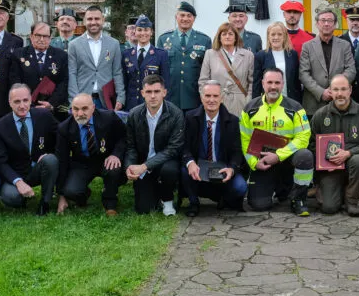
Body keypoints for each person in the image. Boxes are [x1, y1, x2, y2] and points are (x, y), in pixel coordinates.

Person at [240, 68, 313, 216]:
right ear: (263, 83)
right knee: (258, 205)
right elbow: (245, 140)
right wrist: (254, 163)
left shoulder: (295, 108)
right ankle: (279, 190)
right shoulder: (249, 109)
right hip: (263, 163)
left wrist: (279, 156)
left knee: (305, 155)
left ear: (282, 84)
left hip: (288, 161)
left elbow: (303, 137)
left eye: (277, 83)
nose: (273, 86)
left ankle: (298, 199)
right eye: (270, 82)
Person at [309, 74, 359, 217]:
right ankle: (327, 189)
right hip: (330, 168)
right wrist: (325, 161)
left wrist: (348, 153)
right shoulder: (320, 115)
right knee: (329, 208)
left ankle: (352, 202)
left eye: (343, 89)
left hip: (353, 164)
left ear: (350, 90)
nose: (340, 93)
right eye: (336, 89)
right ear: (330, 91)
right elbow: (311, 144)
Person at [181, 81, 248, 216]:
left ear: (221, 98)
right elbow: (184, 146)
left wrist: (231, 169)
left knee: (240, 187)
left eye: (215, 96)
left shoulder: (233, 121)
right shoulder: (190, 118)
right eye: (207, 96)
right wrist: (190, 162)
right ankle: (193, 203)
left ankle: (223, 198)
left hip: (222, 168)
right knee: (184, 169)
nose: (211, 100)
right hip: (199, 168)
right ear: (201, 98)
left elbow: (237, 151)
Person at [0, 84, 60, 215]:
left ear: (30, 100)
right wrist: (18, 182)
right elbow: (0, 161)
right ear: (10, 102)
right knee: (11, 198)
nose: (22, 106)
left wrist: (50, 154)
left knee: (50, 160)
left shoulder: (44, 115)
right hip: (17, 173)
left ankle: (45, 202)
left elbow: (62, 136)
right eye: (17, 101)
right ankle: (22, 197)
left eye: (25, 100)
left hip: (40, 168)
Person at [56, 94, 126, 216]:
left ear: (93, 108)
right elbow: (62, 160)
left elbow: (124, 137)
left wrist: (115, 155)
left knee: (114, 169)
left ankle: (110, 203)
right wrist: (62, 195)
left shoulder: (109, 117)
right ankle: (83, 194)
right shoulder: (64, 128)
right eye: (75, 109)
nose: (80, 113)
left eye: (84, 108)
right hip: (82, 163)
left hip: (106, 159)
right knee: (71, 191)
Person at [124, 74, 185, 215]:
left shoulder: (176, 114)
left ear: (164, 92)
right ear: (142, 93)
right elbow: (130, 146)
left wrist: (144, 166)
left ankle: (168, 199)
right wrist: (129, 167)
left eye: (157, 91)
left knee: (169, 171)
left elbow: (173, 148)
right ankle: (156, 193)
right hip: (143, 164)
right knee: (144, 209)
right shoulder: (134, 114)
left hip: (166, 162)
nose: (152, 96)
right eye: (149, 92)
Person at [299, 8, 356, 117]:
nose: (326, 24)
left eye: (330, 21)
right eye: (323, 20)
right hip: (314, 103)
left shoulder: (345, 45)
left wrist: (335, 89)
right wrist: (321, 92)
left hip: (340, 101)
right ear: (317, 24)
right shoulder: (307, 46)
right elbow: (303, 74)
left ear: (335, 24)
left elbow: (351, 70)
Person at [156, 2, 212, 111]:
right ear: (176, 17)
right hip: (170, 97)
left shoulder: (204, 40)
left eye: (189, 16)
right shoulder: (163, 39)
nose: (185, 19)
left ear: (194, 18)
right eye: (182, 15)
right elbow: (159, 69)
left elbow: (208, 70)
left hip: (194, 97)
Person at [68, 5, 125, 110]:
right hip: (83, 100)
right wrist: (74, 99)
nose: (93, 22)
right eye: (90, 19)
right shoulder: (74, 45)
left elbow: (117, 72)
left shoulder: (114, 44)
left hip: (106, 101)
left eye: (97, 19)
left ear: (103, 20)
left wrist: (120, 97)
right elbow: (72, 73)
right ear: (84, 21)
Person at [11, 22, 69, 116]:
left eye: (45, 36)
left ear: (50, 38)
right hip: (25, 108)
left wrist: (51, 103)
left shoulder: (61, 56)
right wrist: (26, 103)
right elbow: (15, 81)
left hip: (52, 111)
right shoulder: (19, 54)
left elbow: (63, 83)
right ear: (31, 36)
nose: (42, 39)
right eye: (38, 35)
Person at [199, 23, 254, 117]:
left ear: (236, 37)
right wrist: (207, 100)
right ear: (219, 37)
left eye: (230, 34)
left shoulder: (248, 55)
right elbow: (203, 81)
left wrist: (248, 101)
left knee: (238, 126)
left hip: (240, 103)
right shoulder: (210, 54)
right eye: (224, 34)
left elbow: (251, 82)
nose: (227, 37)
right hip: (217, 102)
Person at [122, 15, 170, 111]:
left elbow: (166, 84)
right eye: (139, 30)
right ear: (135, 32)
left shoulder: (161, 54)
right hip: (131, 106)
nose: (143, 33)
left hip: (152, 105)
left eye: (146, 30)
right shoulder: (127, 54)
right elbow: (124, 83)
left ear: (151, 32)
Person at [253, 21, 301, 102]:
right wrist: (255, 103)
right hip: (269, 101)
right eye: (273, 34)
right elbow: (256, 84)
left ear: (284, 36)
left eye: (279, 34)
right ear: (268, 36)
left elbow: (297, 82)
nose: (276, 37)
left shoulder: (293, 54)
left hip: (291, 100)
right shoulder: (260, 56)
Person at [337, 5, 359, 102]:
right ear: (347, 21)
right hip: (344, 91)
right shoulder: (338, 41)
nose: (355, 23)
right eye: (352, 20)